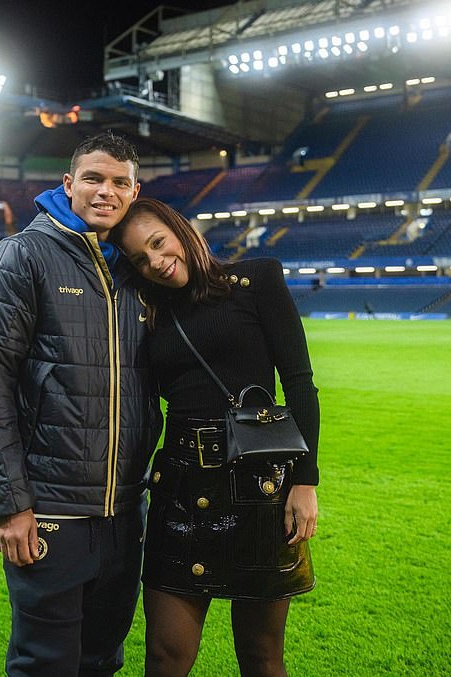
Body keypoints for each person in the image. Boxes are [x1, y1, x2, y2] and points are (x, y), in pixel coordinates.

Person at [0, 133, 162, 677]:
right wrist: (9, 505)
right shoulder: (23, 255)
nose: (106, 191)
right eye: (94, 179)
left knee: (102, 658)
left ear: (134, 190)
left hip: (124, 511)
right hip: (50, 513)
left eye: (119, 182)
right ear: (68, 184)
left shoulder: (134, 269)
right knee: (45, 664)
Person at [110, 197, 320, 677]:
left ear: (180, 231)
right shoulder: (148, 314)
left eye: (159, 244)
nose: (156, 263)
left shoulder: (257, 281)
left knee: (261, 655)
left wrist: (305, 482)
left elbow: (299, 382)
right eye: (140, 259)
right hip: (180, 491)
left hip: (259, 489)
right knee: (165, 655)